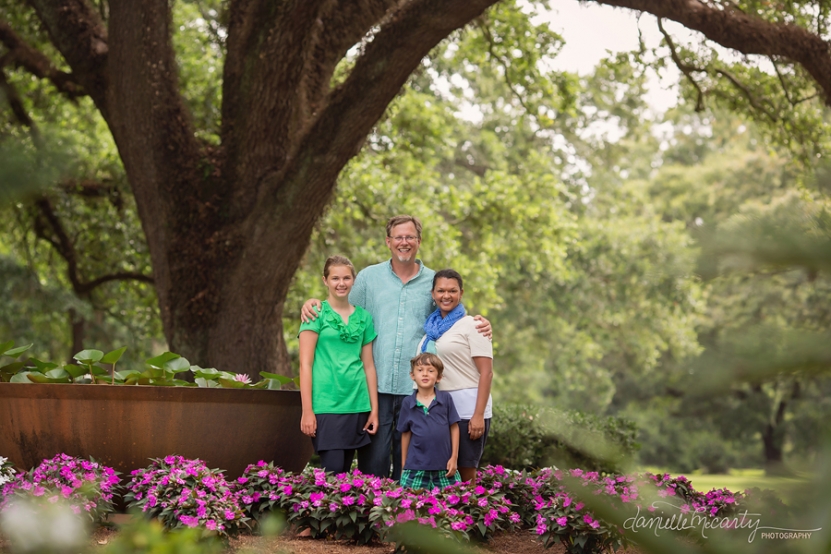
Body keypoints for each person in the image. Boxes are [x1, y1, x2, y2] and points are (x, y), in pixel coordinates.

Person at [301, 215, 492, 480]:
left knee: (413, 464)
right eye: (399, 237)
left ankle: (407, 517)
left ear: (419, 241)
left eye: (410, 237)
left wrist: (480, 322)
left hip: (416, 390)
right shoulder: (368, 278)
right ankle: (374, 517)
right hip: (375, 389)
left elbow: (452, 320)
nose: (404, 242)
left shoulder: (432, 283)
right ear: (388, 241)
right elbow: (341, 306)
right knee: (373, 466)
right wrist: (313, 302)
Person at [298, 255, 379, 474]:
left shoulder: (364, 317)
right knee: (332, 472)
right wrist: (307, 411)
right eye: (335, 278)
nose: (341, 283)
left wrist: (374, 410)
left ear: (353, 280)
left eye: (346, 278)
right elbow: (305, 365)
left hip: (357, 403)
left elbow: (369, 365)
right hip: (326, 404)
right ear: (325, 280)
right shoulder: (315, 314)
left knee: (344, 476)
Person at [417, 269, 493, 485]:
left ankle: (468, 518)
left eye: (452, 291)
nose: (446, 295)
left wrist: (478, 415)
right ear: (433, 294)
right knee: (442, 476)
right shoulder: (430, 331)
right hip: (438, 411)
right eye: (440, 290)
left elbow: (486, 372)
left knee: (465, 477)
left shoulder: (474, 326)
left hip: (467, 412)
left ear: (461, 293)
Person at [397, 352, 461, 490]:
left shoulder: (446, 399)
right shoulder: (408, 403)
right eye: (420, 370)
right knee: (412, 506)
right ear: (412, 376)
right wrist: (404, 465)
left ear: (438, 377)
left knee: (450, 506)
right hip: (415, 468)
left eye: (430, 370)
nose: (425, 374)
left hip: (444, 467)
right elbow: (405, 434)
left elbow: (454, 428)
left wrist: (454, 458)